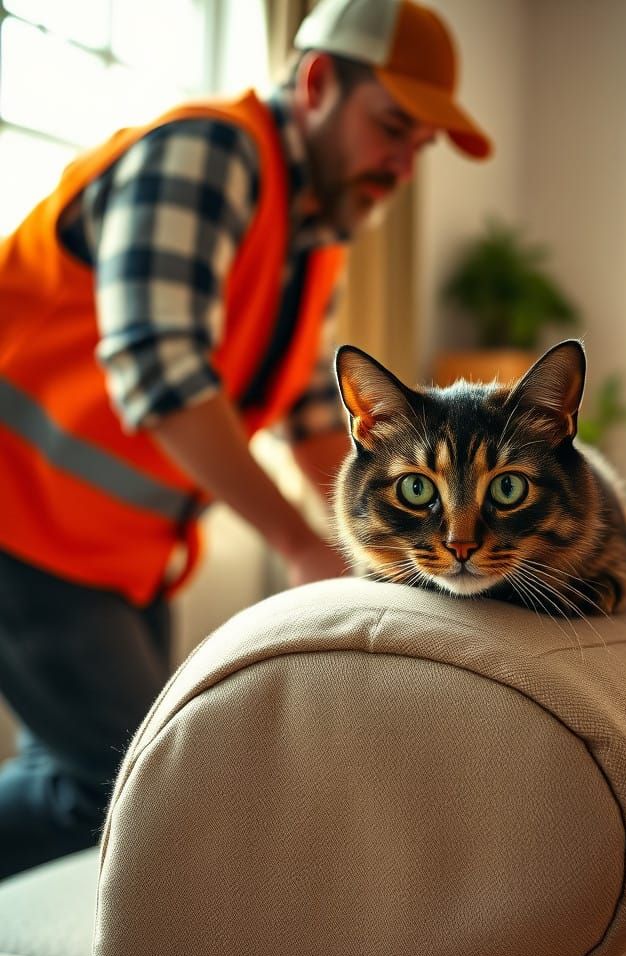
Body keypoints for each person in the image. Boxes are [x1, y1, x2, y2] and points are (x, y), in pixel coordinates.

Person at [0, 0, 491, 881]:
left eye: (419, 148)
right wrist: (300, 543)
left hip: (115, 552)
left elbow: (309, 414)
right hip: (20, 522)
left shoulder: (318, 233)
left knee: (85, 785)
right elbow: (159, 369)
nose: (403, 165)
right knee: (127, 792)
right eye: (391, 128)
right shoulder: (207, 153)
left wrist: (374, 547)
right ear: (315, 84)